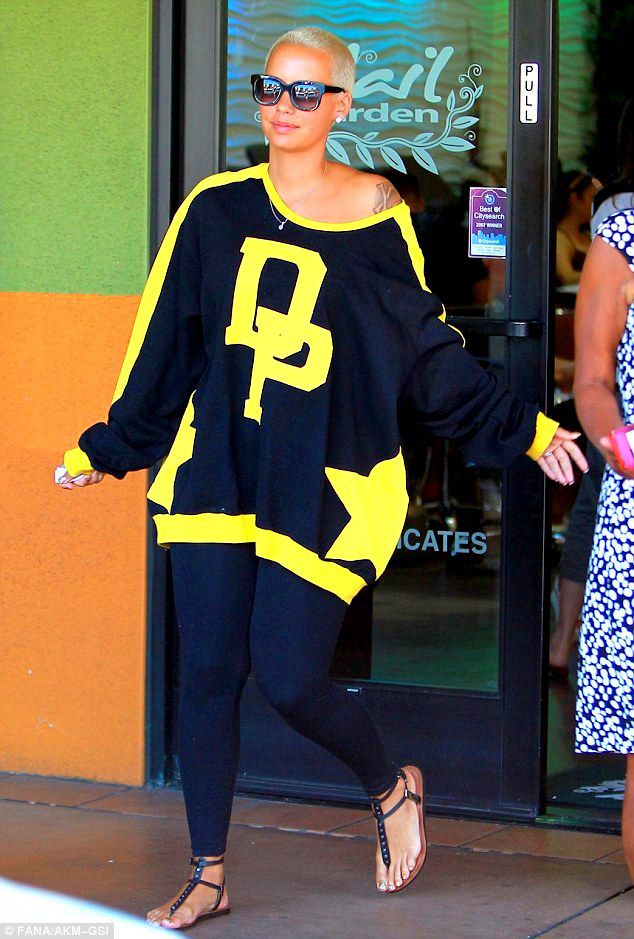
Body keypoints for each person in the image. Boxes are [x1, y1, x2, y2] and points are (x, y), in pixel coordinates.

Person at [54, 27, 587, 928]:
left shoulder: (376, 211)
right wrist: (111, 446)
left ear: (340, 105)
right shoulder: (214, 209)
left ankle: (390, 785)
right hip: (218, 473)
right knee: (207, 671)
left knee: (292, 674)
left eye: (306, 93)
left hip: (321, 481)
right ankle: (208, 871)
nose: (284, 108)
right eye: (270, 89)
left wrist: (523, 428)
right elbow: (168, 343)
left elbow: (422, 351)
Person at [556, 170, 595, 287]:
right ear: (574, 198)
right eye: (591, 198)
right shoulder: (559, 238)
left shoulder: (589, 235)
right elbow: (567, 276)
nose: (594, 205)